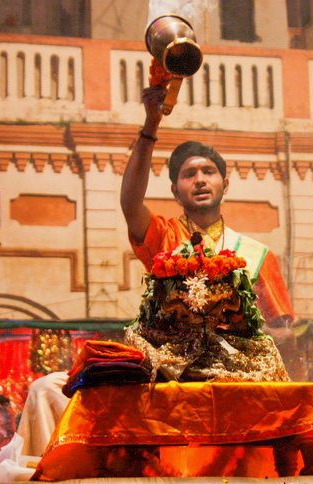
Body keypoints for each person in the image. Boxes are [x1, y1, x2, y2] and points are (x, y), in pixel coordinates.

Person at [119, 85, 293, 330]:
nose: (200, 180)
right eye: (189, 174)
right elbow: (130, 203)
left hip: (237, 367)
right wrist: (150, 126)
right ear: (175, 192)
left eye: (208, 172)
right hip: (172, 367)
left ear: (225, 185)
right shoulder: (163, 237)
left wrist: (236, 336)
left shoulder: (258, 256)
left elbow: (284, 333)